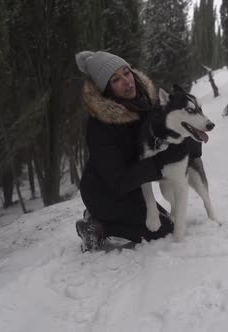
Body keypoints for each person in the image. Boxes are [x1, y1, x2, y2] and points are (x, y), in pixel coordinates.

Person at [74, 51, 201, 252]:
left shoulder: (148, 103)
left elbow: (173, 127)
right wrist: (160, 163)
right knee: (160, 230)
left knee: (162, 221)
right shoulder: (99, 127)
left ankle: (109, 217)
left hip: (134, 185)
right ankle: (96, 225)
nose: (127, 81)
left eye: (127, 72)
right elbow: (118, 180)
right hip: (105, 191)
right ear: (106, 89)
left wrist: (190, 140)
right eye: (116, 79)